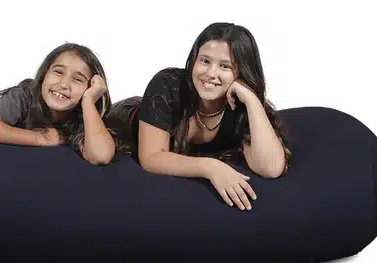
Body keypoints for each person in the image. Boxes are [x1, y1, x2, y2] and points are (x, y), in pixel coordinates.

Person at [109, 22, 292, 210]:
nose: (211, 73)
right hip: (122, 122)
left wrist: (252, 100)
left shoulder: (240, 105)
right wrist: (210, 168)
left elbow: (271, 168)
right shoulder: (167, 85)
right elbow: (151, 158)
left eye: (225, 66)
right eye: (205, 61)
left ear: (243, 72)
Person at [0, 43, 117, 165]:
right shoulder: (25, 95)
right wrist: (41, 138)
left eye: (78, 79)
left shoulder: (84, 116)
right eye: (58, 72)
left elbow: (100, 155)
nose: (64, 84)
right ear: (44, 74)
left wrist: (89, 101)